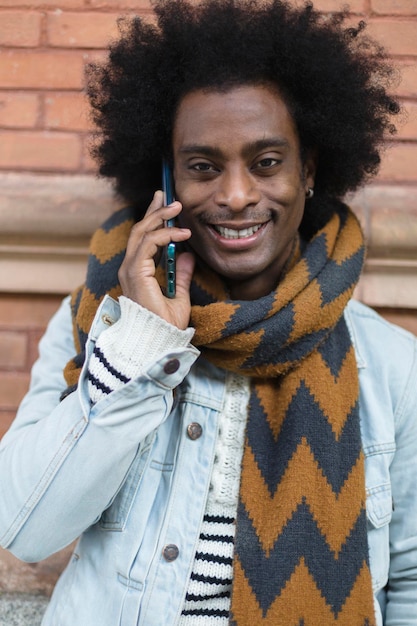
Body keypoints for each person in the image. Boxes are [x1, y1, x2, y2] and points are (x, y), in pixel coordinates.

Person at [0, 1, 416, 624]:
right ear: (165, 180)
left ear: (310, 170)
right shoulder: (99, 325)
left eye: (267, 162)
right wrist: (142, 342)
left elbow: (409, 580)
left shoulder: (392, 366)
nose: (236, 195)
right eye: (202, 167)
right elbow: (25, 529)